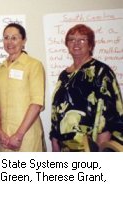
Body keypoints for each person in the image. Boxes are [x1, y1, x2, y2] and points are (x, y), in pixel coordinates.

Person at [50, 24, 123, 152]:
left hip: (90, 146)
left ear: (90, 45)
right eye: (72, 39)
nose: (76, 43)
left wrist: (100, 150)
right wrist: (55, 142)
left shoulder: (101, 71)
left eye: (82, 39)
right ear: (67, 45)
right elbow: (57, 111)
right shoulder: (64, 75)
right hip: (65, 147)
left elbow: (109, 115)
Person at [0, 23, 45, 152]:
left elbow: (36, 103)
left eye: (14, 38)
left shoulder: (34, 65)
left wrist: (19, 135)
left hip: (27, 135)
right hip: (4, 138)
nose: (9, 42)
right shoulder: (0, 69)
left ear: (23, 40)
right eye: (6, 37)